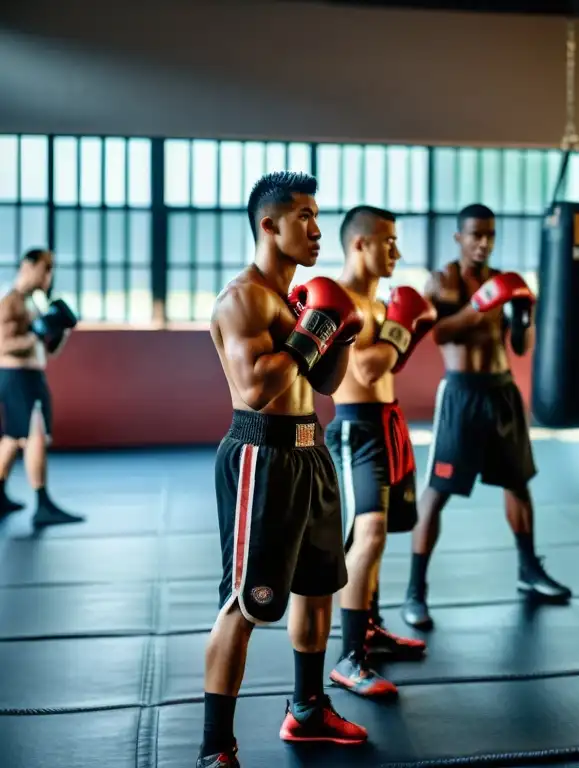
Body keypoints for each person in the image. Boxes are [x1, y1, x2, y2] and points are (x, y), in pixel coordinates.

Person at [199, 171, 368, 768]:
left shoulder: (295, 301)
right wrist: (315, 327)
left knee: (319, 587)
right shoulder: (243, 298)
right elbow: (256, 386)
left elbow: (322, 385)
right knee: (245, 604)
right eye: (304, 217)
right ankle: (216, 746)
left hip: (310, 451)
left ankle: (307, 708)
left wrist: (339, 334)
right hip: (261, 454)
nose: (318, 229)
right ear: (269, 225)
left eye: (319, 215)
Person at [402, 203, 570, 631]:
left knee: (518, 483)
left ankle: (529, 570)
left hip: (502, 392)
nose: (483, 242)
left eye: (490, 235)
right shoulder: (442, 281)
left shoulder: (503, 282)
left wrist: (523, 314)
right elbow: (438, 333)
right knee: (438, 491)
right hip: (462, 393)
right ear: (459, 237)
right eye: (475, 234)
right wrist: (481, 305)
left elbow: (520, 347)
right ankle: (415, 591)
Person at [324, 205, 436, 699]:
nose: (397, 251)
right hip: (355, 431)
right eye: (388, 241)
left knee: (380, 537)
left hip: (387, 422)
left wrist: (399, 328)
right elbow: (364, 372)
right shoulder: (337, 300)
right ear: (360, 244)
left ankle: (368, 626)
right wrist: (402, 326)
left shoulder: (378, 304)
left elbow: (388, 366)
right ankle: (349, 658)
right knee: (365, 534)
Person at [0, 248, 82, 526]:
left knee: (13, 438)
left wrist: (62, 329)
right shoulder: (10, 301)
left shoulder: (33, 303)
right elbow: (3, 345)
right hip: (16, 376)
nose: (49, 275)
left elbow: (49, 350)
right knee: (35, 433)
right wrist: (35, 332)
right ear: (28, 265)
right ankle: (42, 504)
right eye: (45, 268)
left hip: (31, 376)